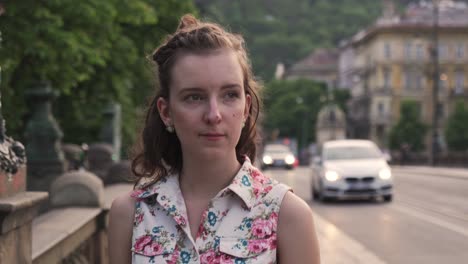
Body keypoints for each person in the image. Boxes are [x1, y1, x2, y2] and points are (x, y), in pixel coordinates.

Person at [108, 14, 320, 264]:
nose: (214, 114)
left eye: (229, 94)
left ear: (245, 108)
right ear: (167, 113)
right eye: (194, 97)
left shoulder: (287, 215)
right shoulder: (130, 214)